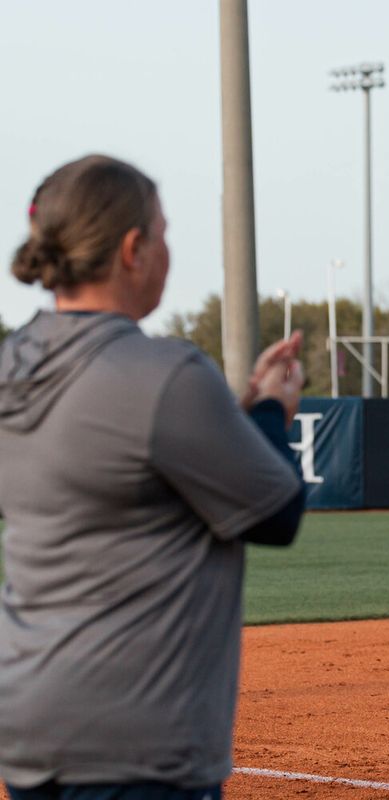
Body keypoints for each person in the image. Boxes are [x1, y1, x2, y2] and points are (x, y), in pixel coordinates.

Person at [0, 154, 308, 798]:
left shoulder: (11, 364)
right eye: (163, 234)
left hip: (29, 726)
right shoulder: (162, 372)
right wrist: (272, 413)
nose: (169, 251)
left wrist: (243, 414)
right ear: (133, 249)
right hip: (136, 738)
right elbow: (276, 512)